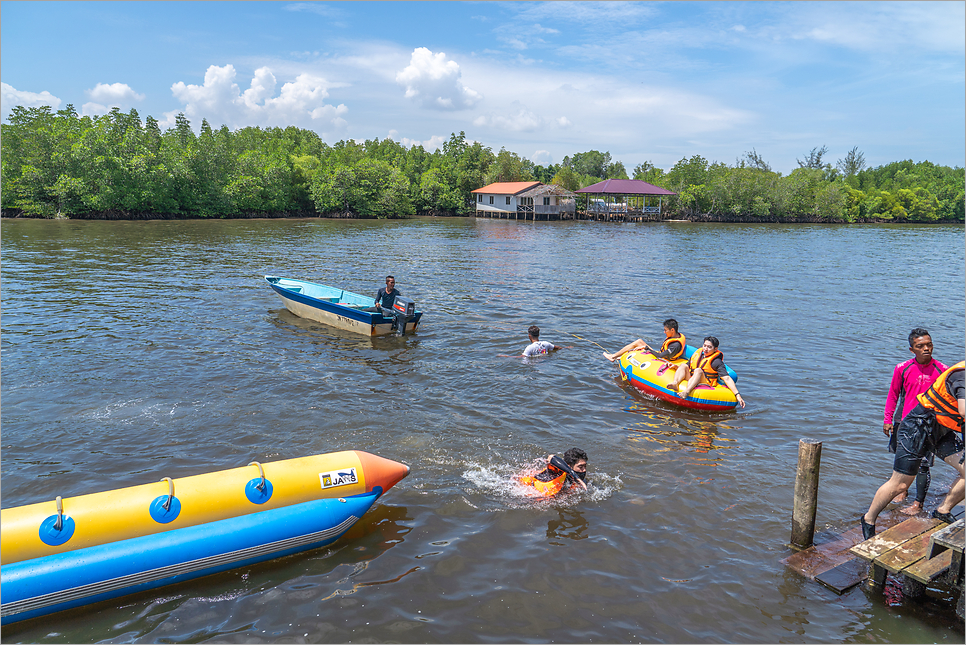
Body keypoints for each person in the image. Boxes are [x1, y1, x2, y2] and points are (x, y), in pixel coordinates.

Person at [861, 360, 965, 539]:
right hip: (917, 426)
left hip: (942, 430)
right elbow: (963, 411)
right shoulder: (961, 376)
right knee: (900, 484)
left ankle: (942, 510)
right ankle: (868, 519)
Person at [882, 328, 948, 514]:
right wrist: (888, 419)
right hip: (904, 422)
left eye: (929, 345)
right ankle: (902, 490)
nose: (926, 349)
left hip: (928, 425)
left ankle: (918, 503)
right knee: (900, 459)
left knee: (923, 465)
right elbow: (893, 394)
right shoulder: (902, 368)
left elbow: (947, 400)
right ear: (912, 350)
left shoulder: (942, 370)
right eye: (920, 346)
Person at [670, 336, 745, 408]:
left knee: (698, 370)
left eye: (709, 347)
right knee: (683, 365)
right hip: (692, 379)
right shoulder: (698, 355)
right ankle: (675, 383)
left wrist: (737, 395)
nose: (705, 349)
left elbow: (727, 378)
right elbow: (688, 366)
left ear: (715, 349)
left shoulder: (716, 362)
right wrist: (675, 367)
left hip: (705, 382)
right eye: (704, 346)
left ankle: (687, 391)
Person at [603, 318, 685, 363]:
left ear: (672, 330)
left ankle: (613, 357)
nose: (664, 332)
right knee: (639, 341)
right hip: (662, 355)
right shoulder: (677, 335)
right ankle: (616, 355)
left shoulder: (675, 345)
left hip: (663, 360)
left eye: (665, 330)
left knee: (642, 346)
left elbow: (660, 356)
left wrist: (647, 349)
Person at [519, 448, 589, 495]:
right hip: (527, 486)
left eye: (585, 466)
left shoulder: (578, 482)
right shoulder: (558, 471)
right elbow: (551, 457)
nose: (584, 470)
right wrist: (575, 476)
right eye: (580, 467)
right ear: (568, 466)